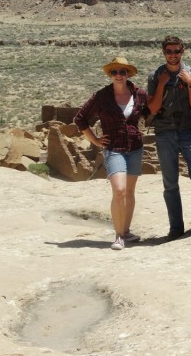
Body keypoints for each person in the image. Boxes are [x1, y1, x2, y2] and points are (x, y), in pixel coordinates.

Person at [74, 57, 148, 250]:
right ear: (110, 75)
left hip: (135, 147)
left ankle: (126, 231)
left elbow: (152, 112)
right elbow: (80, 119)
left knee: (130, 192)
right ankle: (118, 236)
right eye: (114, 72)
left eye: (122, 72)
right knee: (119, 190)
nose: (118, 75)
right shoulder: (101, 97)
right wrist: (95, 140)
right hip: (114, 148)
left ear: (128, 74)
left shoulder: (139, 94)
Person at [147, 36, 191, 241]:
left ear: (183, 51)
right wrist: (162, 85)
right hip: (164, 132)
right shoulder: (156, 76)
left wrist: (190, 84)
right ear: (163, 53)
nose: (173, 55)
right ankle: (176, 227)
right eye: (169, 52)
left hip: (186, 131)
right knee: (170, 182)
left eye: (177, 51)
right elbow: (153, 108)